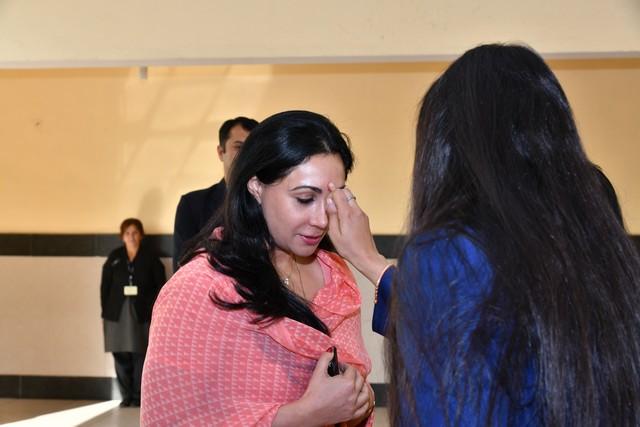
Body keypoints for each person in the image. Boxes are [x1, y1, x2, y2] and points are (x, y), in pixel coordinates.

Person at [325, 44, 640, 425]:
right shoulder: (598, 249)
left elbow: (454, 393)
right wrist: (373, 262)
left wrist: (371, 261)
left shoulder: (449, 252)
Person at [141, 111, 375, 426]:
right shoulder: (198, 289)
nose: (322, 219)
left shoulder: (334, 274)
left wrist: (358, 401)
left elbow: (352, 378)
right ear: (256, 186)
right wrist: (305, 415)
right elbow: (175, 418)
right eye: (305, 198)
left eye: (332, 200)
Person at [173, 116, 259, 271]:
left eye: (252, 148)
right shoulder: (192, 205)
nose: (246, 154)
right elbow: (183, 267)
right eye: (239, 147)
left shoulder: (268, 202)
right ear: (221, 152)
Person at [100, 218, 166, 407]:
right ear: (122, 236)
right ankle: (126, 395)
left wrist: (156, 312)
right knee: (120, 353)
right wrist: (104, 313)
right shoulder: (114, 257)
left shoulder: (151, 258)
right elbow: (105, 287)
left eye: (135, 232)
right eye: (127, 233)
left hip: (142, 312)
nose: (131, 237)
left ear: (141, 235)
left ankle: (138, 396)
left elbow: (161, 287)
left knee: (140, 354)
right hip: (116, 314)